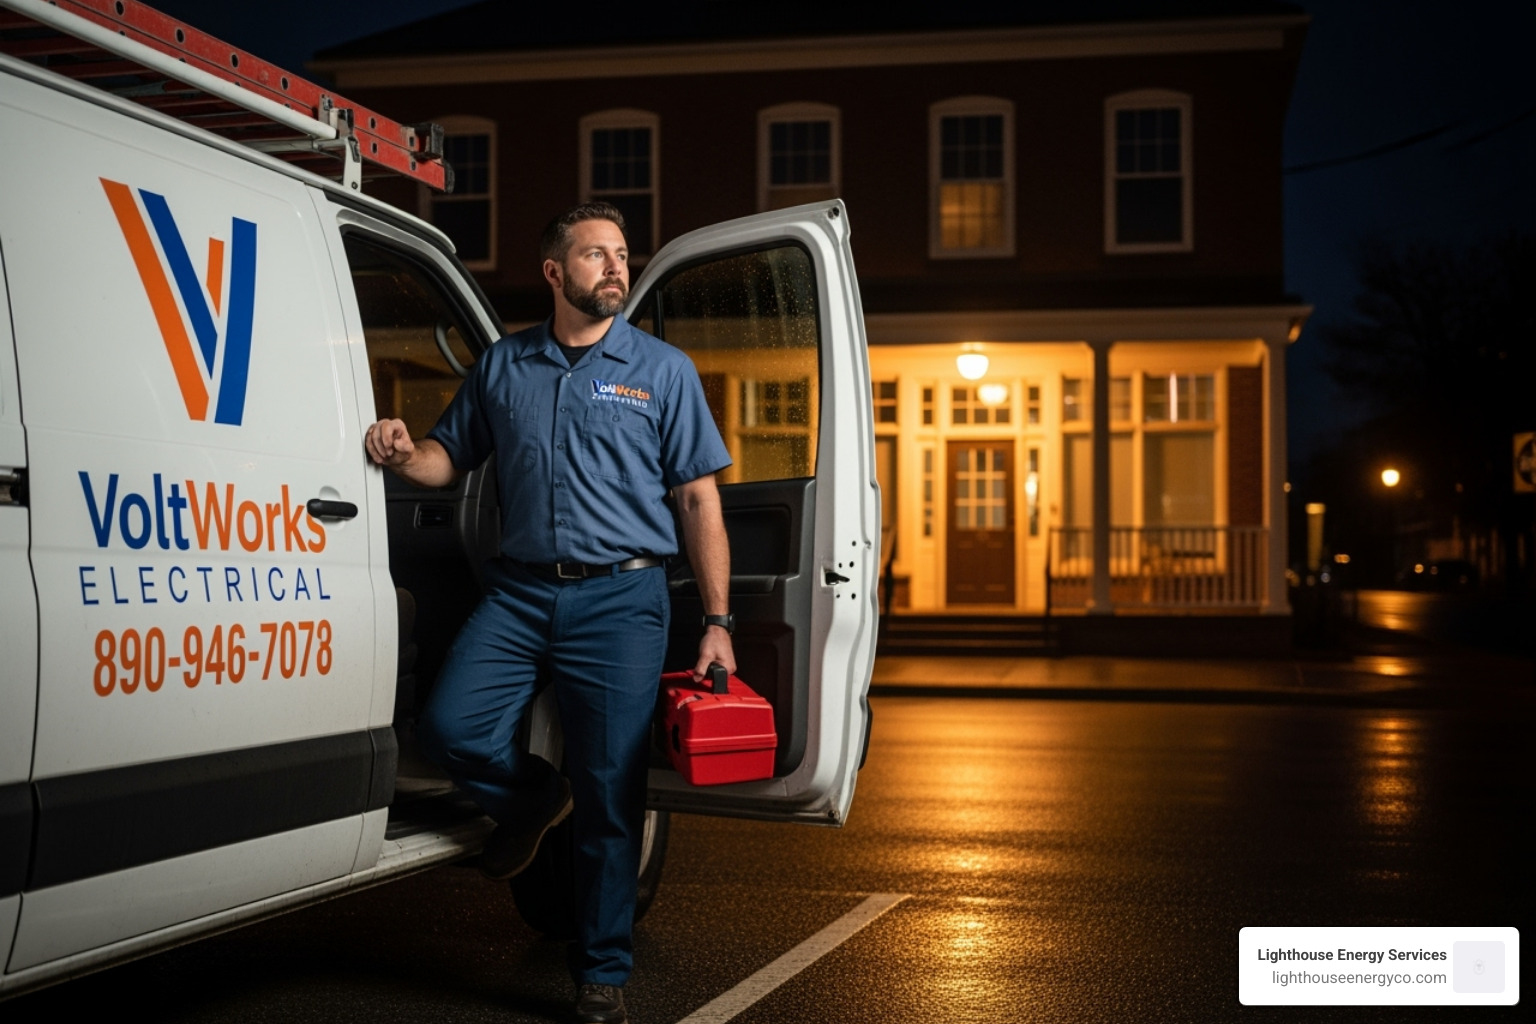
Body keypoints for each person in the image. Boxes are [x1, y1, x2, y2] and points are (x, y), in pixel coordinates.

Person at [365, 202, 735, 1024]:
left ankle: (602, 971)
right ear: (554, 273)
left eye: (622, 255)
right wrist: (399, 449)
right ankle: (532, 799)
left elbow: (699, 499)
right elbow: (443, 458)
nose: (615, 267)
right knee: (450, 727)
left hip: (622, 599)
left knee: (611, 791)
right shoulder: (504, 367)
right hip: (523, 593)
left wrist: (718, 621)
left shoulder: (661, 370)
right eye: (597, 255)